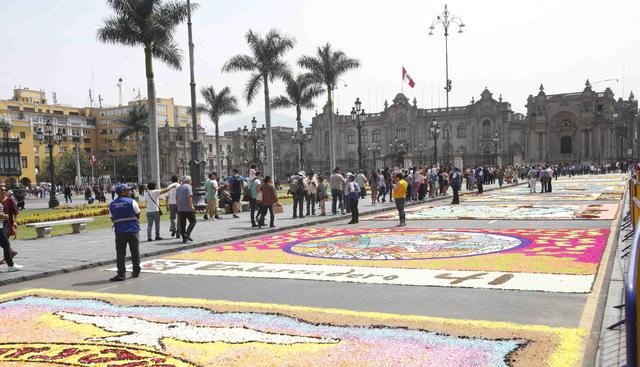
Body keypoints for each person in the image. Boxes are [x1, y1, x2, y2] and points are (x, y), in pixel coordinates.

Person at [108, 184, 141, 281]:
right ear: (122, 192)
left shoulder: (112, 204)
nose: (130, 192)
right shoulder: (132, 202)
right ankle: (136, 271)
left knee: (120, 253)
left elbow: (112, 218)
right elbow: (138, 214)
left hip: (120, 232)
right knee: (135, 252)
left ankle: (121, 274)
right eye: (128, 190)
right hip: (133, 230)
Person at [0, 186, 18, 271]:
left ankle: (8, 259)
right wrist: (4, 215)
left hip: (7, 225)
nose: (3, 191)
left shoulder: (10, 200)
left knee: (5, 244)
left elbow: (16, 212)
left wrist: (14, 222)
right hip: (1, 226)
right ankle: (9, 258)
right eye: (2, 190)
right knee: (5, 244)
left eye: (4, 190)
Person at [176, 176, 196, 243]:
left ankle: (184, 239)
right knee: (193, 221)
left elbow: (177, 198)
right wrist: (191, 206)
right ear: (188, 180)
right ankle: (187, 234)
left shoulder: (178, 187)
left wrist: (179, 205)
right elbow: (189, 197)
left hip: (181, 208)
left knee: (183, 224)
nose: (191, 181)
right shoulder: (188, 186)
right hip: (188, 208)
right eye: (191, 179)